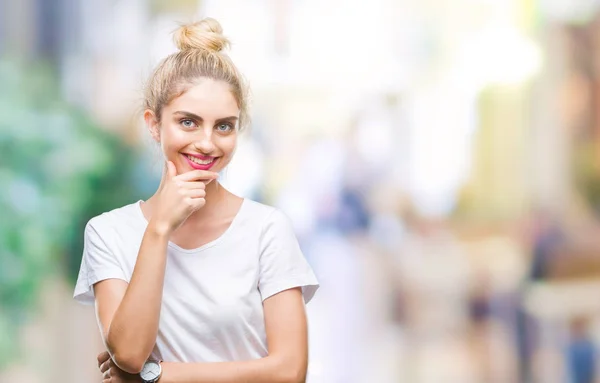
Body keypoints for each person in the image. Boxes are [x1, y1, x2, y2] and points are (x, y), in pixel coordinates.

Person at [73, 17, 319, 383]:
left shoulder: (267, 230)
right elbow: (127, 352)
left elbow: (289, 370)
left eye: (224, 126)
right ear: (154, 124)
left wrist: (157, 375)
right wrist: (158, 229)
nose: (206, 143)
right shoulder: (108, 232)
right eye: (188, 122)